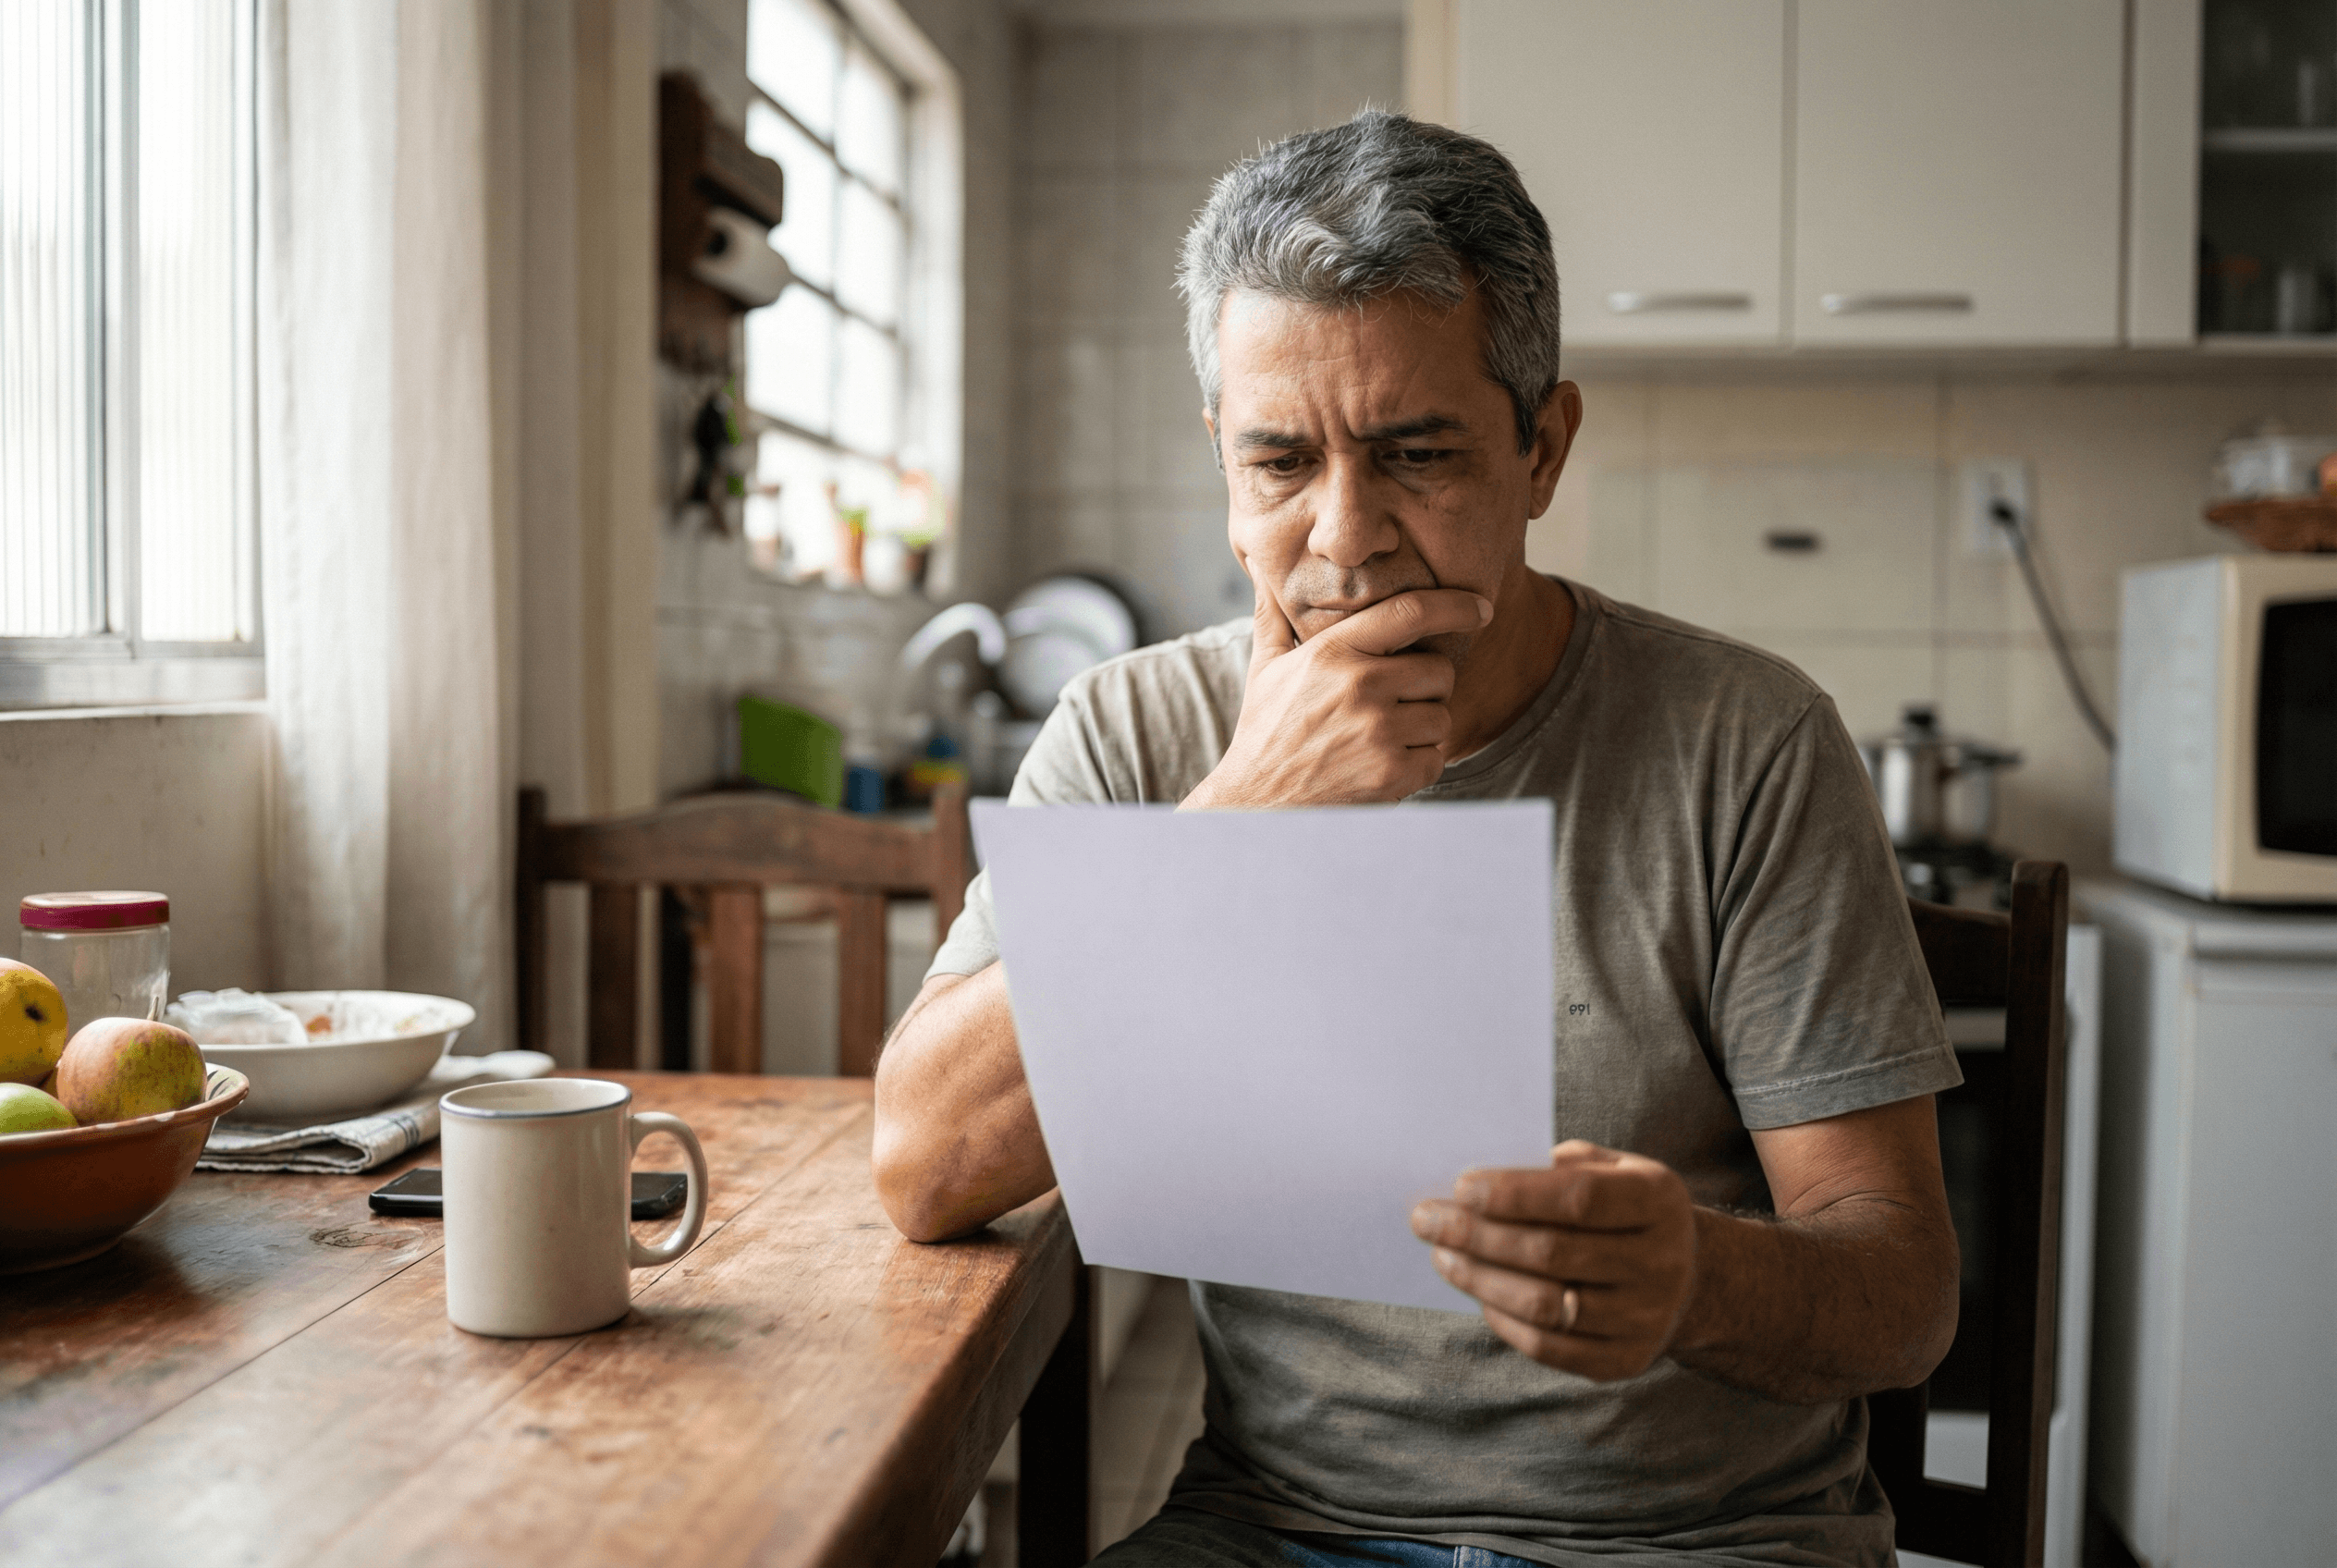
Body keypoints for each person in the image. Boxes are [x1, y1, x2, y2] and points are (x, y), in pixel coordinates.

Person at [874, 110, 1963, 1568]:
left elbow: (1903, 1290)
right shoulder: (1136, 734)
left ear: (1543, 447)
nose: (1344, 536)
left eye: (1417, 454)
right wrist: (1246, 818)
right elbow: (924, 1161)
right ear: (1223, 456)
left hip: (1701, 1541)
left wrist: (1697, 1277)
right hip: (1278, 1529)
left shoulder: (1746, 741)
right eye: (1279, 462)